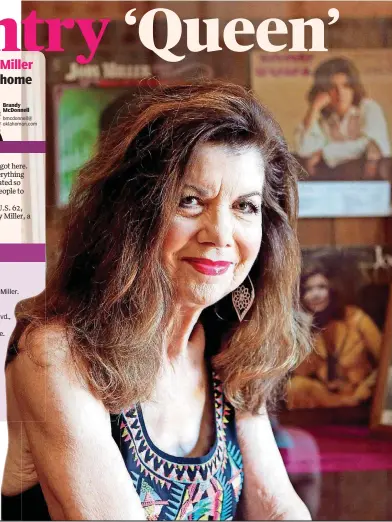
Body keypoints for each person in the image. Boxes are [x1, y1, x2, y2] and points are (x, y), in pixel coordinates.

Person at [1, 82, 312, 521]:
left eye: (245, 206)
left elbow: (278, 508)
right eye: (190, 201)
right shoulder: (56, 353)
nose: (220, 235)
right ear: (132, 217)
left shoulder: (229, 344)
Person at [294, 57, 392, 196]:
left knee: (384, 164)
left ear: (354, 88)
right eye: (333, 88)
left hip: (364, 172)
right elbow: (304, 150)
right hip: (335, 174)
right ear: (322, 92)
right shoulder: (325, 120)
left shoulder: (368, 108)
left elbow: (371, 146)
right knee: (295, 162)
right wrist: (314, 108)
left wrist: (325, 153)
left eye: (346, 86)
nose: (340, 93)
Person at [288, 261, 382, 409]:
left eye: (321, 287)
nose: (315, 295)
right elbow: (301, 372)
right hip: (329, 396)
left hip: (360, 392)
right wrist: (306, 329)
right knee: (294, 386)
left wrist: (365, 389)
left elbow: (387, 362)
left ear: (332, 289)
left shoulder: (357, 318)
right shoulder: (308, 326)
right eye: (308, 290)